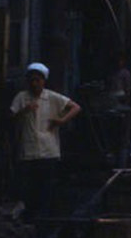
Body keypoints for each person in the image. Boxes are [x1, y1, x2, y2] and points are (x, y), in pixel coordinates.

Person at [9, 62, 81, 219]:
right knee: (27, 187)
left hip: (48, 150)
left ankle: (43, 219)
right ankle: (28, 217)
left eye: (38, 80)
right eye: (32, 80)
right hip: (27, 150)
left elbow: (75, 107)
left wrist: (62, 121)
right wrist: (25, 110)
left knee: (46, 188)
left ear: (43, 81)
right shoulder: (22, 97)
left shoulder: (51, 97)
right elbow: (11, 117)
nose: (35, 84)